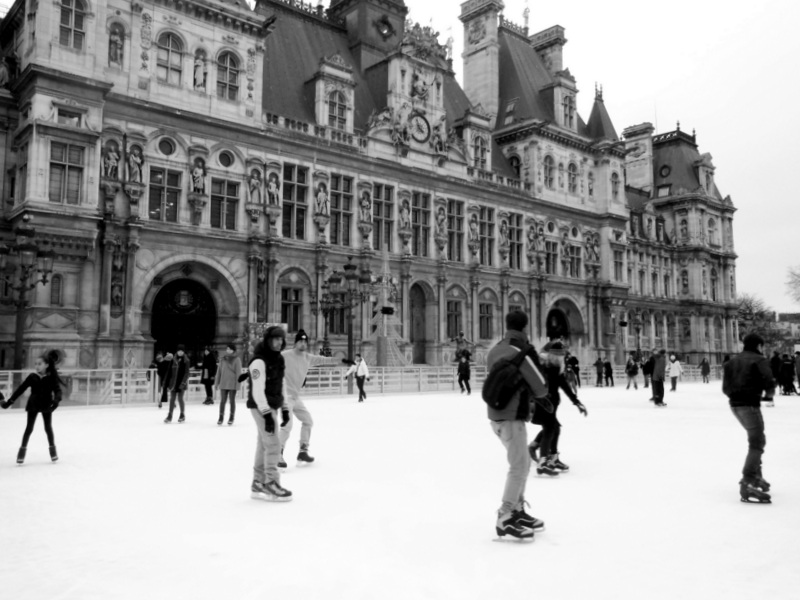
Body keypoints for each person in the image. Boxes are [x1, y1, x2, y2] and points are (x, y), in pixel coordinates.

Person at [485, 310, 551, 541]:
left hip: (495, 415)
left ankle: (518, 509)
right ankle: (505, 516)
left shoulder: (495, 350)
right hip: (512, 416)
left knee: (521, 463)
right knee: (519, 467)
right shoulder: (521, 353)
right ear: (524, 327)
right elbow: (541, 386)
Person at [281, 330, 354, 466]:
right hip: (284, 395)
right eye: (300, 341)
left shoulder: (307, 357)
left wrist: (343, 360)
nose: (303, 344)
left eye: (305, 341)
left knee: (308, 421)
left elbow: (325, 360)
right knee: (287, 424)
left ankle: (303, 451)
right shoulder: (285, 355)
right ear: (295, 342)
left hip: (295, 397)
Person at [722, 333, 775, 503]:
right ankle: (748, 481)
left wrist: (734, 396)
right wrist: (768, 394)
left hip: (735, 405)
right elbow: (768, 380)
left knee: (756, 440)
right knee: (757, 442)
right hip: (750, 405)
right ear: (758, 345)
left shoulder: (732, 361)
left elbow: (725, 387)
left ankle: (756, 476)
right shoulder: (759, 360)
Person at [528, 341, 587, 476]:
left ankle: (551, 458)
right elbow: (533, 384)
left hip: (551, 404)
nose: (562, 358)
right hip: (543, 403)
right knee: (549, 430)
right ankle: (543, 462)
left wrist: (576, 402)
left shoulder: (556, 367)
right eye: (559, 355)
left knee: (554, 429)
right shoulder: (543, 366)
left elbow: (565, 386)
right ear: (553, 355)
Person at [247, 326, 292, 501]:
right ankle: (271, 483)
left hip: (272, 404)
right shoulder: (258, 361)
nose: (279, 342)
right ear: (268, 340)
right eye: (275, 339)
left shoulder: (278, 358)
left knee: (263, 443)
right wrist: (266, 414)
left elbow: (282, 384)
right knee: (273, 443)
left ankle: (258, 482)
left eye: (281, 339)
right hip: (260, 406)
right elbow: (258, 391)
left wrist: (285, 408)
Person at [1, 350, 64, 464]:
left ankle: (53, 452)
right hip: (33, 404)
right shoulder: (32, 377)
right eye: (35, 364)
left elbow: (58, 391)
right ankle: (21, 453)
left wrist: (56, 401)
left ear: (46, 365)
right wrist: (10, 401)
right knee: (29, 428)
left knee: (48, 428)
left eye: (39, 364)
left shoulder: (51, 377)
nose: (37, 366)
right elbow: (21, 389)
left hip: (46, 403)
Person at [215, 343, 242, 426]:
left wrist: (238, 385)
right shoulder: (223, 359)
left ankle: (231, 417)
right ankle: (221, 416)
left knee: (232, 401)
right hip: (223, 383)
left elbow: (238, 373)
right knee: (222, 401)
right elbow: (219, 372)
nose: (228, 350)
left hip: (232, 384)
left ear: (233, 350)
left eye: (230, 349)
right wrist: (216, 383)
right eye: (227, 349)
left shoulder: (237, 359)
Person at [165, 345, 191, 424]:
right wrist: (166, 383)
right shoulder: (173, 360)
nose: (180, 352)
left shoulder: (186, 360)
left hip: (181, 382)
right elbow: (169, 372)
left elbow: (187, 373)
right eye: (179, 351)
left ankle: (182, 414)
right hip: (173, 383)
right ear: (177, 351)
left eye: (182, 351)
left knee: (180, 398)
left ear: (183, 352)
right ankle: (170, 415)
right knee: (172, 399)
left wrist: (183, 383)